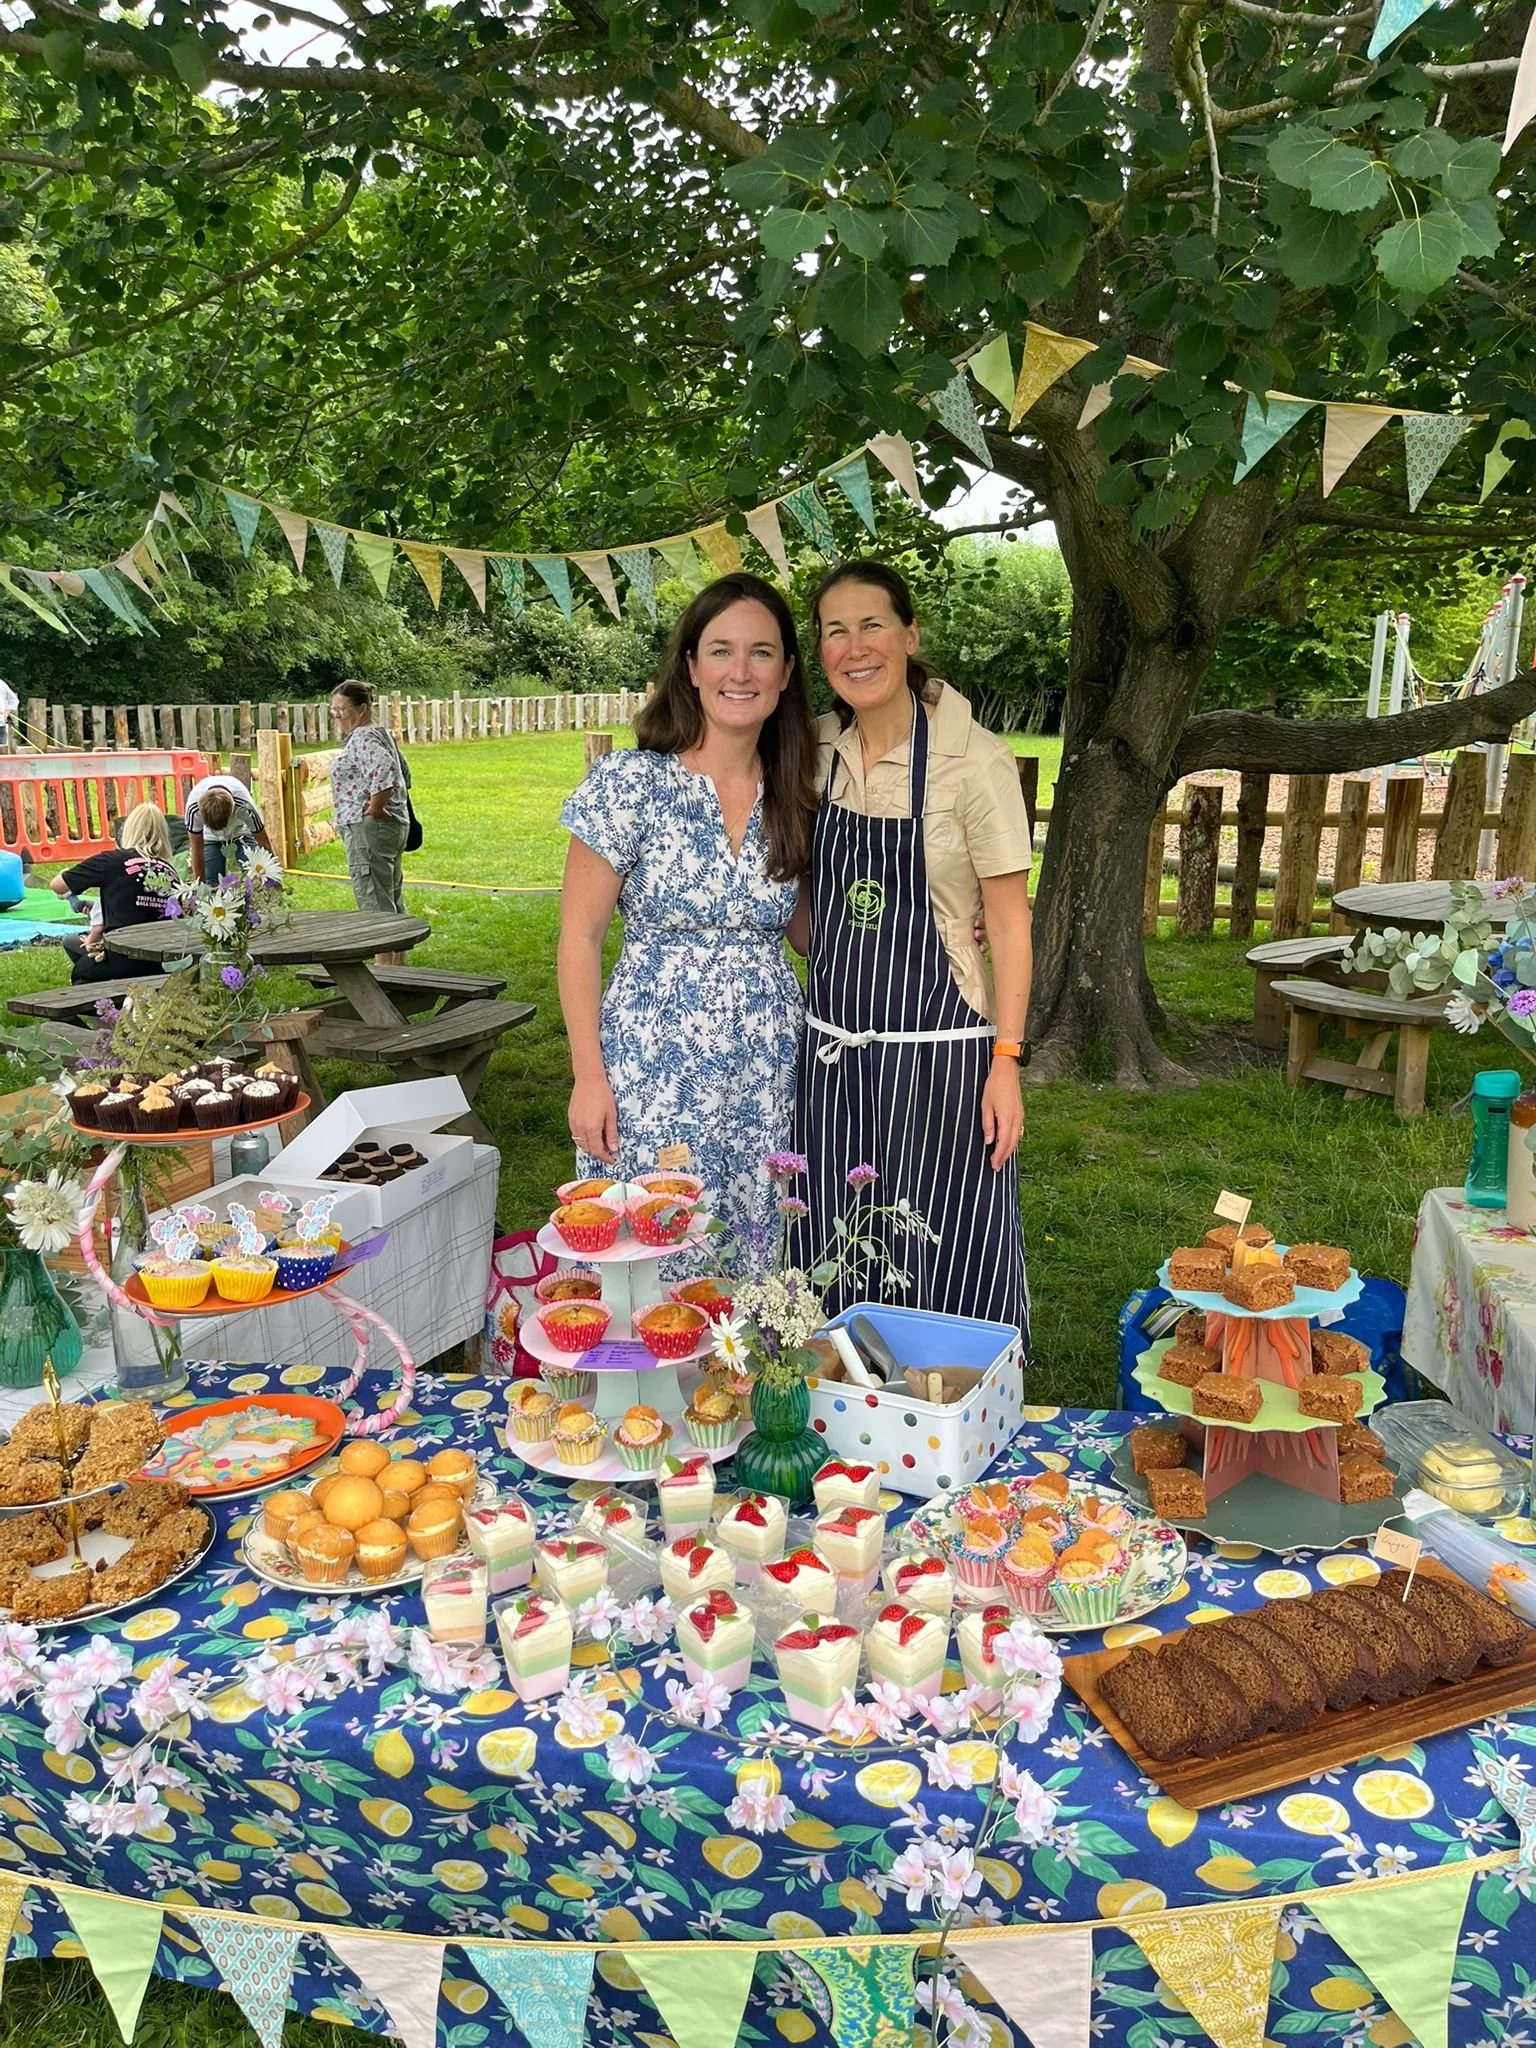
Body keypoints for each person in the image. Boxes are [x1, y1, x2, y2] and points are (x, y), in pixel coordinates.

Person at [790, 559, 1033, 1337]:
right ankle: (836, 1408)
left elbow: (1012, 924)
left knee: (945, 1241)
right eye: (835, 630)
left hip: (941, 1054)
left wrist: (1007, 1063)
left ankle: (949, 1410)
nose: (855, 647)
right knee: (833, 1236)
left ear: (909, 635)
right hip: (831, 1055)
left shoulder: (976, 761)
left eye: (873, 625)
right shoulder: (814, 749)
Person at [558, 572, 818, 1266]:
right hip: (651, 1062)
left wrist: (935, 917)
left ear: (787, 673)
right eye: (721, 650)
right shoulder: (630, 785)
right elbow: (579, 939)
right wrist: (589, 1075)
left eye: (762, 653)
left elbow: (807, 935)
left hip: (766, 1066)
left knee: (754, 1243)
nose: (741, 671)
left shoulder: (795, 796)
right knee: (653, 1237)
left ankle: (742, 1374)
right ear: (691, 667)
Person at [50, 802, 180, 984]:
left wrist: (63, 873)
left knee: (80, 973)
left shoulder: (110, 861)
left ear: (127, 831)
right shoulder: (170, 871)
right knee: (73, 942)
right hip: (159, 961)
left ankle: (108, 1005)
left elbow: (58, 886)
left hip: (122, 957)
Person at [329, 679, 410, 962]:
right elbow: (405, 774)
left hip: (370, 830)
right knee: (390, 899)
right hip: (391, 828)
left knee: (374, 903)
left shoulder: (363, 737)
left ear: (362, 709)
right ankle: (399, 971)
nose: (337, 714)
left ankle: (384, 976)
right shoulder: (379, 733)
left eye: (341, 708)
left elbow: (387, 770)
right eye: (333, 709)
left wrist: (375, 809)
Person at [183, 773, 271, 884]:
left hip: (241, 833)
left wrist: (273, 876)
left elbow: (264, 842)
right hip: (209, 837)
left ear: (233, 808)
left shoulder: (245, 806)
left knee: (256, 874)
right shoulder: (193, 808)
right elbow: (197, 849)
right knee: (212, 882)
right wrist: (200, 886)